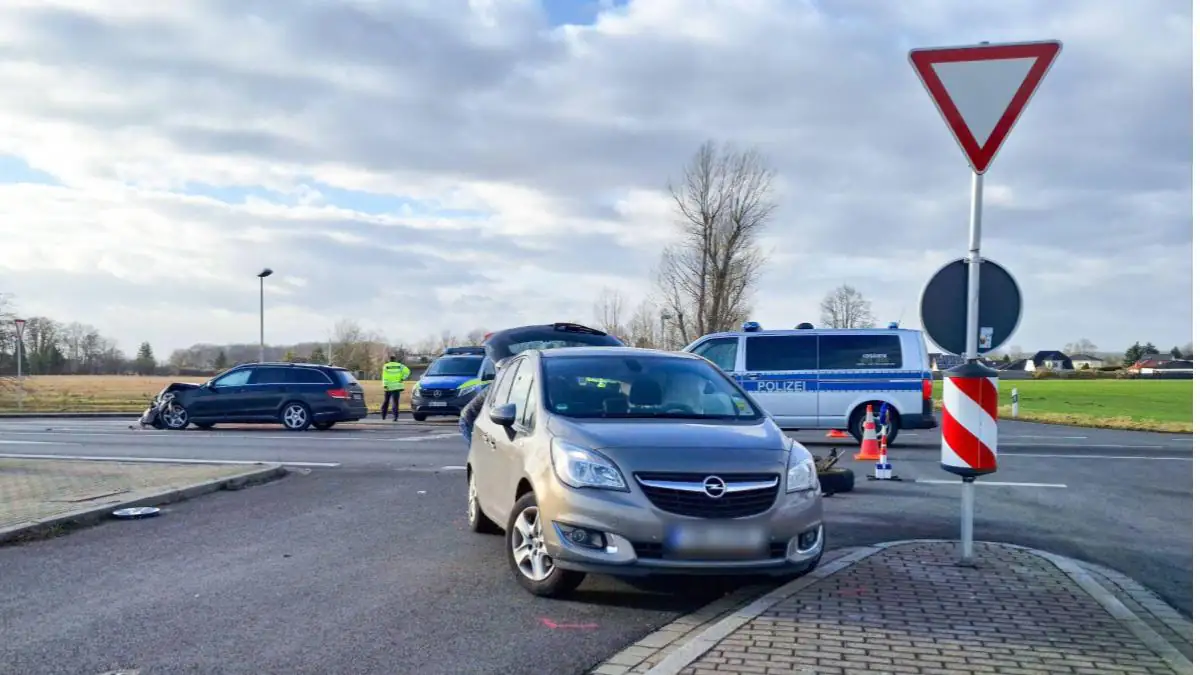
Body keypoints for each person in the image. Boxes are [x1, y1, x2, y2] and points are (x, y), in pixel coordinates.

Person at [380, 355, 411, 421]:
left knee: (386, 401)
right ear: (395, 359)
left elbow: (384, 376)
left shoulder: (386, 366)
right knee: (395, 402)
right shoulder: (400, 365)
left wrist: (384, 384)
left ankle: (383, 415)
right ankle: (395, 417)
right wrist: (403, 378)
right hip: (397, 387)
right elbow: (408, 371)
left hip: (388, 387)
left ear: (389, 360)